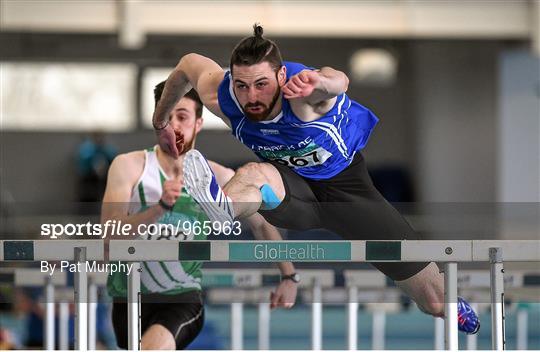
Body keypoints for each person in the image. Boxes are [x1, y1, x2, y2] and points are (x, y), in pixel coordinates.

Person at [151, 24, 480, 334]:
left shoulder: (304, 94)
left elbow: (338, 81)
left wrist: (320, 84)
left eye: (262, 85)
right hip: (294, 192)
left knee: (435, 301)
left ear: (281, 76)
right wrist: (160, 117)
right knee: (253, 173)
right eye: (242, 85)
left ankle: (450, 304)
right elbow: (187, 65)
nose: (251, 97)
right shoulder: (222, 97)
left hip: (349, 194)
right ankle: (222, 209)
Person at [102, 83, 298, 350]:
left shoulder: (217, 177)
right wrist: (158, 208)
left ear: (198, 123)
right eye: (166, 117)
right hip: (128, 298)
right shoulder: (128, 166)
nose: (173, 126)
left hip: (181, 298)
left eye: (182, 116)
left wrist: (288, 277)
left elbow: (263, 226)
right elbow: (110, 235)